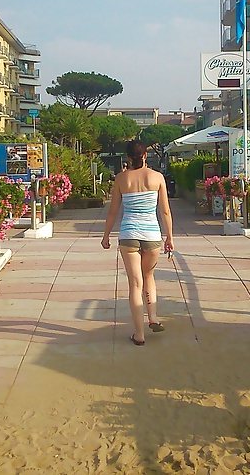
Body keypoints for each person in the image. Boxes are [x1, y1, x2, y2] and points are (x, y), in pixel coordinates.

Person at [102, 140, 174, 346]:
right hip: (152, 235)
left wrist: (106, 236)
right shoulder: (157, 177)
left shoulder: (121, 179)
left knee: (135, 284)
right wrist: (169, 237)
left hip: (128, 235)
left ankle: (139, 334)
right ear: (145, 156)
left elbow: (113, 211)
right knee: (148, 275)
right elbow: (165, 211)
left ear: (128, 158)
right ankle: (153, 317)